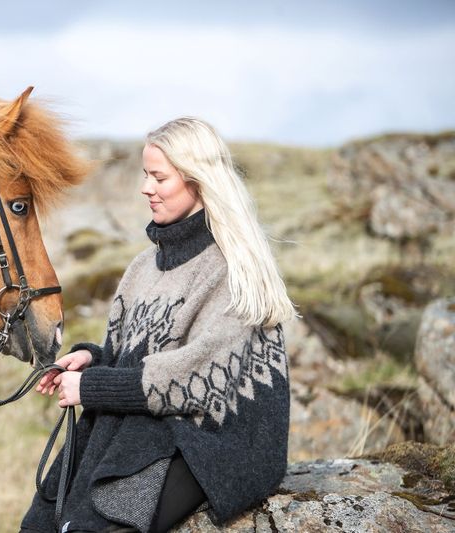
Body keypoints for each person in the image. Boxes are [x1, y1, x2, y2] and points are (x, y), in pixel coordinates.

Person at [19, 117, 297, 533]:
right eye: (145, 175)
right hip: (156, 421)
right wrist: (88, 360)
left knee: (102, 522)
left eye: (159, 178)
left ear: (198, 181)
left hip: (215, 441)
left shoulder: (230, 269)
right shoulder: (142, 267)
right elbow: (125, 355)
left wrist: (92, 387)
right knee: (45, 518)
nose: (146, 188)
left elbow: (197, 378)